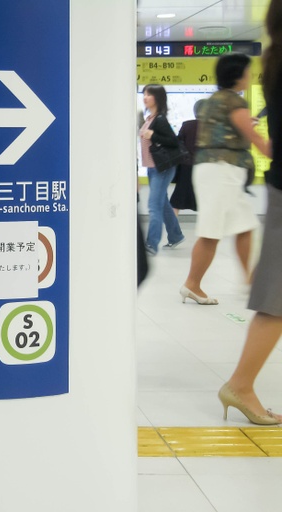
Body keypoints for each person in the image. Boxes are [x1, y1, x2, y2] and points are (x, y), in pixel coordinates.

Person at [218, 0, 282, 425]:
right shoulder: (234, 100)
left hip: (270, 184)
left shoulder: (273, 65)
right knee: (276, 299)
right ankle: (240, 385)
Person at [180, 53, 272, 305]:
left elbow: (231, 129)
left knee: (244, 224)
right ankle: (192, 283)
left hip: (217, 171)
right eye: (247, 71)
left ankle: (250, 280)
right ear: (238, 75)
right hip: (222, 172)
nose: (250, 76)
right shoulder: (233, 101)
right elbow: (256, 139)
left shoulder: (215, 100)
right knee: (211, 231)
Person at [139, 84, 185, 255]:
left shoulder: (160, 120)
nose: (145, 97)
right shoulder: (149, 118)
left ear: (157, 98)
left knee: (154, 205)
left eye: (149, 94)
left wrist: (153, 135)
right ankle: (176, 235)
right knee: (162, 203)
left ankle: (151, 244)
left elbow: (173, 141)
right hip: (153, 167)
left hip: (162, 169)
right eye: (144, 94)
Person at [170, 99, 207, 214]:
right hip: (204, 167)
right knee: (205, 199)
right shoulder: (211, 127)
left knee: (177, 199)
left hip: (186, 167)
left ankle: (172, 224)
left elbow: (178, 143)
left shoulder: (187, 125)